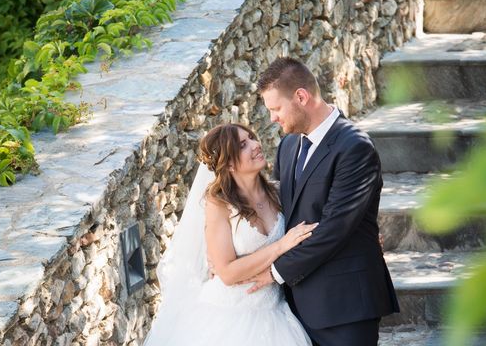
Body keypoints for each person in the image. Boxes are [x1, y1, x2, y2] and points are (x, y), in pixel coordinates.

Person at [245, 57, 399, 346]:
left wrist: (275, 272)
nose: (272, 119)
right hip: (292, 308)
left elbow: (334, 229)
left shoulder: (354, 146)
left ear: (301, 97)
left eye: (276, 109)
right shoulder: (288, 146)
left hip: (344, 305)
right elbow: (279, 216)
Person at [143, 123, 316, 346]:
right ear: (230, 163)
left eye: (252, 137)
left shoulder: (278, 192)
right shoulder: (219, 204)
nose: (256, 145)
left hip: (276, 311)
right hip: (229, 317)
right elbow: (227, 273)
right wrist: (281, 245)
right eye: (244, 145)